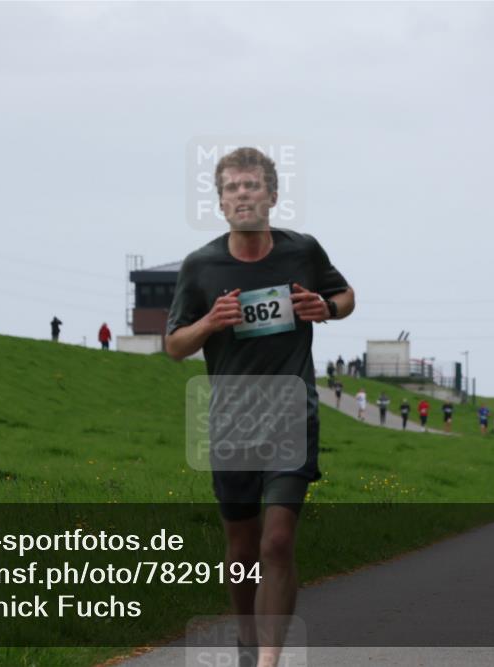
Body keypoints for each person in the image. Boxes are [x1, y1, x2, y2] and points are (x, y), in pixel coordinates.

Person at [164, 146, 354, 666]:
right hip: (232, 424)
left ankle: (269, 659)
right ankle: (247, 646)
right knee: (244, 550)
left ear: (272, 195)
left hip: (292, 417)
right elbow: (174, 345)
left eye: (251, 185)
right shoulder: (201, 266)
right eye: (232, 187)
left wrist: (326, 307)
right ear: (221, 202)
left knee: (277, 543)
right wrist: (209, 323)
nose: (242, 194)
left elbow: (345, 295)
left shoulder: (302, 251)